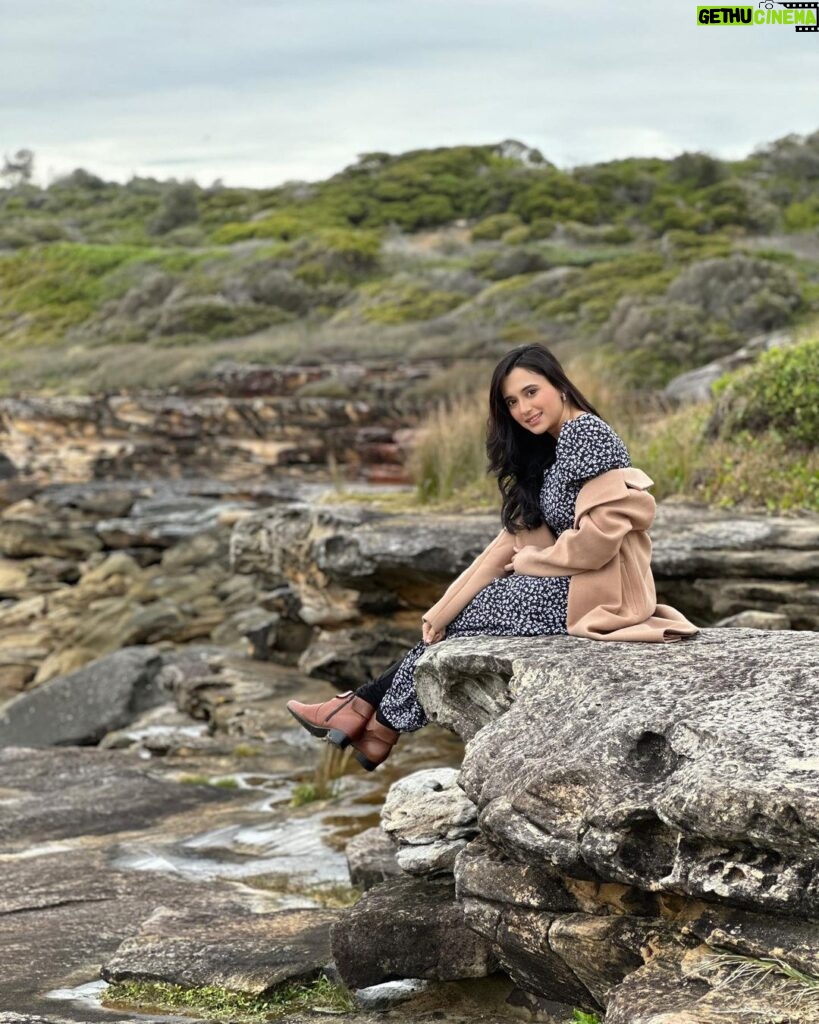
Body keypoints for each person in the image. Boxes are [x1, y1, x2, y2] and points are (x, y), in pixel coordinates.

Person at [287, 344, 698, 771]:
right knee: (465, 618)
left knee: (481, 610)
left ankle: (372, 714)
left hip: (604, 592)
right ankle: (374, 722)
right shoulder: (549, 452)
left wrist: (529, 565)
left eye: (531, 392)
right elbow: (503, 547)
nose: (524, 409)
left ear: (559, 385)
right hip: (576, 585)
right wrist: (441, 611)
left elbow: (598, 543)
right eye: (512, 402)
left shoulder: (586, 434)